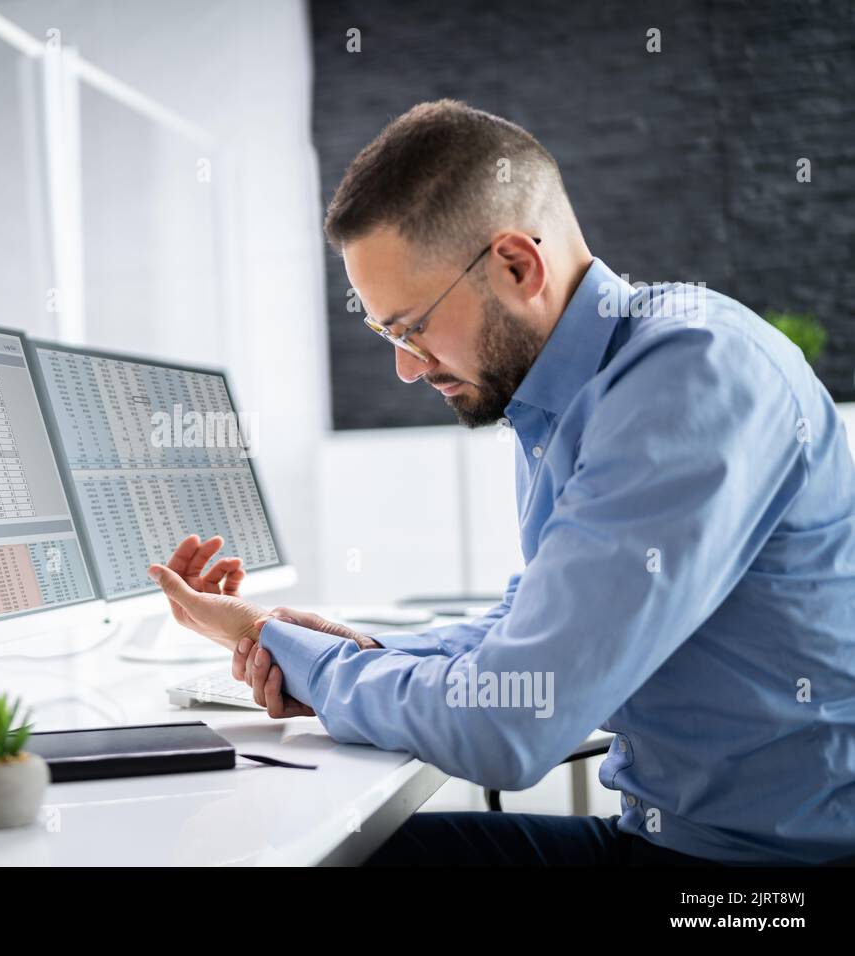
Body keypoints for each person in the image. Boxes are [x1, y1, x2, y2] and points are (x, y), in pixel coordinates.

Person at [146, 100, 855, 866]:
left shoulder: (689, 379)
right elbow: (531, 624)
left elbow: (511, 720)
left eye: (412, 327)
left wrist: (292, 652)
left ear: (518, 267)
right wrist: (358, 649)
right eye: (385, 334)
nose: (406, 367)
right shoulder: (566, 389)